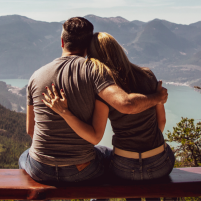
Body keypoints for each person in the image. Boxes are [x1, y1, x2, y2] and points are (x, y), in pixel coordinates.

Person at [19, 18, 168, 185]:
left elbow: (31, 130)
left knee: (24, 155)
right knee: (105, 154)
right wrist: (158, 98)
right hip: (81, 169)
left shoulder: (35, 76)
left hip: (40, 169)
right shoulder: (95, 71)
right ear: (87, 45)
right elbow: (124, 106)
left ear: (62, 42)